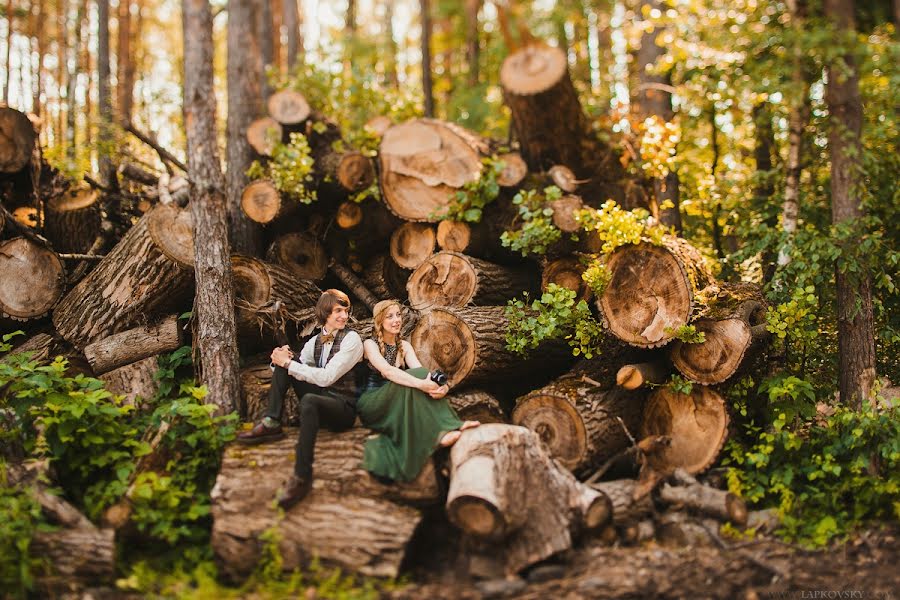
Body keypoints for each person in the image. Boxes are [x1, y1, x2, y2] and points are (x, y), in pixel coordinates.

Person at [236, 289, 364, 510]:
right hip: (320, 398)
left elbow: (326, 378)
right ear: (325, 313)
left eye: (346, 311)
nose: (344, 316)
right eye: (338, 311)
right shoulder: (314, 341)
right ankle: (272, 421)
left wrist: (288, 364)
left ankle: (302, 477)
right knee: (289, 360)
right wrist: (279, 360)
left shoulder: (352, 339)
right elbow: (295, 368)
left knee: (308, 398)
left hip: (343, 408)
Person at [357, 299, 479, 483]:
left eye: (398, 315)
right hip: (373, 402)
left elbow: (422, 373)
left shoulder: (404, 346)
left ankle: (451, 426)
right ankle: (442, 431)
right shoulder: (370, 344)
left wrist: (442, 387)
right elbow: (388, 372)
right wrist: (421, 384)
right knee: (410, 380)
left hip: (395, 401)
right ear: (379, 321)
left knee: (419, 373)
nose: (396, 320)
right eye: (390, 316)